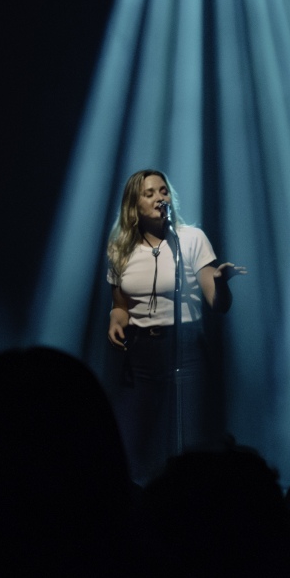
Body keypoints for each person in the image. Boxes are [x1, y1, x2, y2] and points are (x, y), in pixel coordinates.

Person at [104, 170, 242, 481]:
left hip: (185, 348)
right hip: (140, 352)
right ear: (134, 204)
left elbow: (218, 304)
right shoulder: (120, 247)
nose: (159, 198)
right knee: (129, 443)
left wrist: (221, 283)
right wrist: (116, 320)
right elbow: (120, 305)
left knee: (188, 443)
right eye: (149, 193)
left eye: (163, 191)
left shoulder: (190, 239)